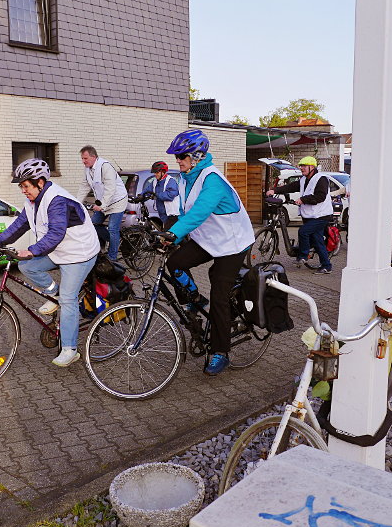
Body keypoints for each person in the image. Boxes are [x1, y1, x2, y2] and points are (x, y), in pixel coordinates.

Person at [0, 158, 100, 367]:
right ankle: (53, 292)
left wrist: (31, 250)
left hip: (79, 254)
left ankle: (70, 349)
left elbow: (56, 233)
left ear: (39, 182)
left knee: (68, 300)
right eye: (21, 186)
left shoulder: (57, 200)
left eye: (25, 185)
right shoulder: (32, 202)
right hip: (58, 250)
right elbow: (20, 225)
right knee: (27, 266)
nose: (23, 190)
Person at [161, 129, 255, 376]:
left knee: (219, 297)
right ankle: (195, 301)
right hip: (208, 238)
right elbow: (184, 213)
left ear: (196, 156)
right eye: (177, 157)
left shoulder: (212, 179)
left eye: (181, 156)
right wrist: (168, 234)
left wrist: (176, 233)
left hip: (231, 243)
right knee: (176, 263)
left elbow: (199, 212)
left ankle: (220, 352)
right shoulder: (186, 177)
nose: (177, 161)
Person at [265, 156, 334, 273]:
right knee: (317, 240)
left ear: (311, 167)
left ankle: (302, 256)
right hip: (310, 215)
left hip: (322, 215)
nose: (301, 168)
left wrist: (303, 199)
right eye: (300, 166)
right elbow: (291, 187)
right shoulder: (303, 180)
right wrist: (274, 190)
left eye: (303, 166)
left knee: (303, 231)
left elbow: (320, 197)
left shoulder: (321, 179)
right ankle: (326, 266)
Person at [76, 146, 128, 261]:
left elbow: (110, 188)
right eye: (82, 159)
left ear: (93, 157)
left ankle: (112, 257)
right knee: (93, 224)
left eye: (85, 158)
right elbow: (84, 187)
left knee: (112, 229)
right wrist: (76, 203)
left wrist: (102, 205)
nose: (83, 161)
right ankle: (103, 247)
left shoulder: (105, 166)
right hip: (103, 203)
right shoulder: (87, 169)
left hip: (117, 201)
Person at [142, 161, 180, 229]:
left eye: (157, 172)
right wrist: (140, 196)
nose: (155, 174)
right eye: (154, 173)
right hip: (162, 214)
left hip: (172, 214)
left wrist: (156, 195)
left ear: (163, 172)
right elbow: (147, 191)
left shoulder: (170, 181)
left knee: (168, 236)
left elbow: (171, 195)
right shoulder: (155, 182)